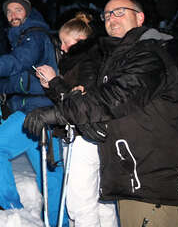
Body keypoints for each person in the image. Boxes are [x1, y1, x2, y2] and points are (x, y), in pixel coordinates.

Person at [24, 0, 178, 227]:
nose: (112, 18)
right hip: (129, 175)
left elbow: (111, 98)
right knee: (96, 206)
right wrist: (56, 90)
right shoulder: (115, 59)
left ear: (140, 17)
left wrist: (57, 105)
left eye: (120, 11)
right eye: (108, 14)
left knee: (82, 203)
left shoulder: (149, 55)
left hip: (151, 179)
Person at [0, 0, 66, 226]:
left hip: (42, 113)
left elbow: (17, 62)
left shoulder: (34, 35)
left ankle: (28, 215)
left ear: (28, 13)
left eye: (18, 10)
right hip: (36, 113)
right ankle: (37, 217)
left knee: (0, 152)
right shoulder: (24, 38)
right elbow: (20, 81)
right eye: (9, 12)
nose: (12, 15)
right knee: (47, 173)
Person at [34, 12, 118, 227]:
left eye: (65, 42)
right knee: (100, 201)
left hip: (83, 136)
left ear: (80, 41)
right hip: (90, 136)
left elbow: (81, 104)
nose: (62, 48)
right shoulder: (86, 61)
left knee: (80, 203)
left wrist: (55, 81)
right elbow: (66, 100)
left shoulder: (88, 63)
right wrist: (50, 86)